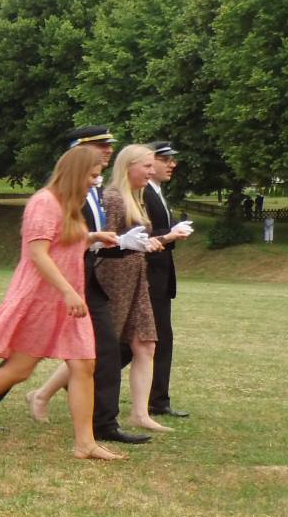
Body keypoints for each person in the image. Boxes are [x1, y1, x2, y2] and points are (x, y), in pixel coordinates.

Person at [0, 144, 122, 460]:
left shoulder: (69, 205)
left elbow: (62, 244)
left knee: (84, 365)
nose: (95, 181)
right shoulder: (44, 202)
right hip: (43, 299)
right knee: (19, 369)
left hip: (68, 301)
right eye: (92, 175)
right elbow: (38, 254)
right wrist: (67, 291)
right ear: (76, 173)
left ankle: (85, 443)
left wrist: (92, 238)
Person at [30, 144, 168, 431]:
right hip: (112, 280)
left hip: (135, 278)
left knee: (144, 344)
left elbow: (119, 240)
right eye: (147, 165)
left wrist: (157, 240)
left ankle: (138, 414)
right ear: (128, 166)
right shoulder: (114, 198)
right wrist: (124, 243)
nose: (152, 170)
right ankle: (42, 394)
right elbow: (102, 242)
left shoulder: (137, 197)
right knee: (98, 349)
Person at [144, 143, 192, 419]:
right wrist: (171, 234)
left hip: (160, 276)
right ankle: (75, 377)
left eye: (172, 159)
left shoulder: (157, 192)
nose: (172, 164)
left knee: (158, 339)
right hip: (148, 276)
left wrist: (173, 231)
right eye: (165, 159)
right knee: (135, 342)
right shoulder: (144, 193)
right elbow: (140, 234)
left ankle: (159, 400)